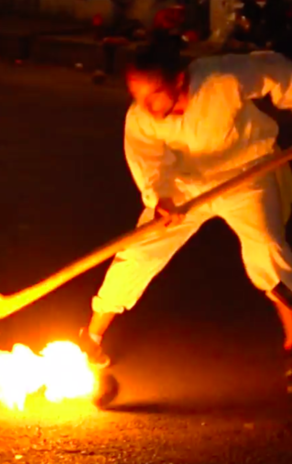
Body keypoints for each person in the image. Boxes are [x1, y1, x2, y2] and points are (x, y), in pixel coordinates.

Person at [79, 38, 292, 379]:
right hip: (186, 185)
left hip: (248, 174)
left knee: (267, 249)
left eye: (154, 95)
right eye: (137, 97)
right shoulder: (140, 119)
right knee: (140, 250)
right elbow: (148, 164)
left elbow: (277, 71)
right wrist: (161, 199)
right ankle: (91, 336)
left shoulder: (223, 78)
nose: (146, 106)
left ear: (179, 80)